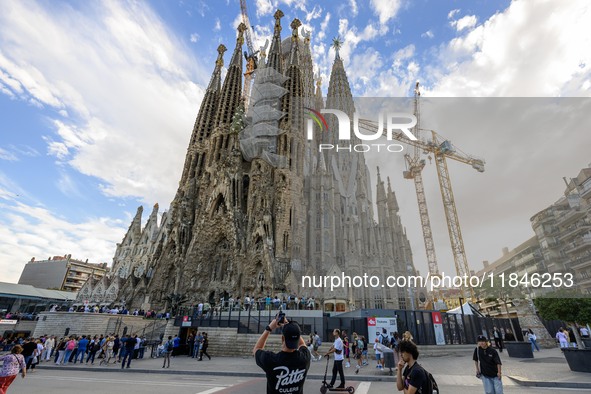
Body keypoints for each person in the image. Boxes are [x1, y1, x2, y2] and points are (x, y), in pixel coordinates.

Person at [253, 316, 310, 394]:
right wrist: (291, 327)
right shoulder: (305, 358)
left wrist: (269, 328)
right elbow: (302, 344)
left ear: (282, 338)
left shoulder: (271, 360)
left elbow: (257, 349)